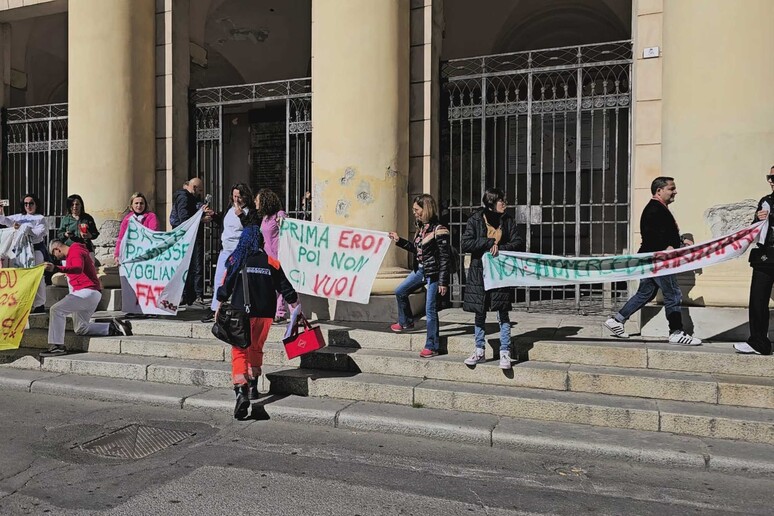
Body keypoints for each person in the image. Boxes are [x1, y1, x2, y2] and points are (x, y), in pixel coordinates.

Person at [604, 176, 701, 345]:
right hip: (658, 259)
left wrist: (679, 241)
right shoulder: (654, 209)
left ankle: (617, 320)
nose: (675, 192)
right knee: (673, 293)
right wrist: (668, 247)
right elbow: (653, 236)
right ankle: (676, 332)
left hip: (652, 258)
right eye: (671, 188)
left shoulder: (658, 208)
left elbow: (662, 233)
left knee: (646, 293)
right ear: (659, 190)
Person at [216, 225, 299, 419]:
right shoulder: (271, 262)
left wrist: (220, 302)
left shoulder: (236, 260)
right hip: (265, 314)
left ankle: (241, 390)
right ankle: (253, 386)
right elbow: (285, 287)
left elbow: (225, 287)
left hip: (241, 313)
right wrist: (294, 303)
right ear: (261, 241)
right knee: (256, 348)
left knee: (239, 351)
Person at [461, 187, 524, 370]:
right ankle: (479, 350)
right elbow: (466, 243)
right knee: (480, 311)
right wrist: (488, 243)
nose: (504, 203)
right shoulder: (475, 219)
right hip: (479, 272)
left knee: (502, 311)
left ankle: (505, 351)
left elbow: (518, 242)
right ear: (491, 203)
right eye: (501, 201)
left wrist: (501, 247)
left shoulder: (508, 220)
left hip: (500, 272)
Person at [39, 239, 132, 357]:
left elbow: (78, 268)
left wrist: (56, 268)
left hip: (86, 292)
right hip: (89, 293)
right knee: (80, 328)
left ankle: (56, 346)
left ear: (57, 249)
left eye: (54, 254)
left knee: (56, 310)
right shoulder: (74, 253)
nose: (56, 258)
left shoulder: (75, 250)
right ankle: (113, 328)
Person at [388, 194, 451, 358]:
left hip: (434, 274)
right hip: (421, 269)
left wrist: (443, 282)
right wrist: (399, 240)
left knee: (430, 310)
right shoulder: (422, 228)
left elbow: (445, 258)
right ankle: (406, 321)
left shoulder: (440, 230)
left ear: (426, 209)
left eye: (417, 210)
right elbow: (417, 250)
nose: (414, 213)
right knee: (400, 291)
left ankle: (432, 346)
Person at [735, 167, 774, 355]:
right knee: (758, 300)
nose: (771, 180)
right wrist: (757, 219)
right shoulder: (765, 201)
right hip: (765, 257)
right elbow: (754, 230)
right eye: (769, 177)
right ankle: (758, 342)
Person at [201, 183, 253, 323]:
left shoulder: (250, 211)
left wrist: (241, 215)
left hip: (239, 251)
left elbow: (250, 227)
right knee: (219, 279)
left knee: (237, 281)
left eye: (239, 197)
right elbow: (225, 223)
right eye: (235, 196)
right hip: (226, 249)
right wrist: (214, 215)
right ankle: (215, 309)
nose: (237, 200)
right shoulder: (230, 209)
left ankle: (240, 308)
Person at [0, 193, 48, 313]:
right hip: (20, 252)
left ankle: (39, 304)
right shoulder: (18, 216)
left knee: (37, 276)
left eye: (31, 203)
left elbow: (38, 233)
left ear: (36, 204)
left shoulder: (40, 218)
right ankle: (22, 302)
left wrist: (23, 228)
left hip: (35, 249)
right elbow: (4, 221)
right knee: (20, 276)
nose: (28, 206)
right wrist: (1, 210)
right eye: (26, 203)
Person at [170, 177, 213, 307]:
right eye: (199, 190)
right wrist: (201, 219)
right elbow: (185, 219)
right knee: (193, 265)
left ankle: (190, 294)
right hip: (187, 236)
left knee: (193, 265)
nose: (200, 193)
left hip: (191, 235)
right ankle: (193, 294)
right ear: (194, 188)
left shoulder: (191, 198)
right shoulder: (184, 198)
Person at [256, 188, 288, 323]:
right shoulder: (265, 218)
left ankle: (280, 312)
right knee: (269, 285)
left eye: (257, 200)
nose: (255, 202)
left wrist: (282, 218)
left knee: (280, 285)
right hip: (267, 255)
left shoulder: (279, 215)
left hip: (278, 255)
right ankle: (272, 310)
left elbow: (288, 230)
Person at [114, 192, 159, 264]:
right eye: (136, 203)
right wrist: (117, 254)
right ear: (131, 205)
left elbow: (153, 234)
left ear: (145, 205)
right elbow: (121, 238)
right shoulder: (127, 219)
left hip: (146, 252)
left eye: (141, 203)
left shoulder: (151, 217)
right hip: (130, 253)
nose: (139, 205)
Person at [57, 194, 99, 261]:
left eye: (77, 204)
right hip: (70, 249)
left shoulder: (87, 218)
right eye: (72, 204)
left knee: (88, 270)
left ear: (81, 205)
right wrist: (65, 234)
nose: (74, 207)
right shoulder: (65, 219)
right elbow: (59, 234)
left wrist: (89, 235)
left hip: (86, 249)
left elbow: (95, 233)